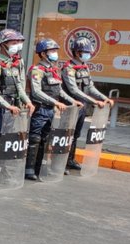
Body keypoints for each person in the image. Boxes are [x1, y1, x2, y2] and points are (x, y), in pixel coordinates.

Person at [0, 29, 34, 189]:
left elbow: (19, 85)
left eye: (18, 43)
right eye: (13, 43)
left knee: (8, 141)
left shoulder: (14, 63)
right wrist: (7, 106)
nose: (17, 46)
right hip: (0, 108)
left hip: (13, 107)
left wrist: (27, 101)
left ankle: (2, 171)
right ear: (3, 45)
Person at [25, 38, 80, 181]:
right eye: (52, 51)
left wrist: (72, 100)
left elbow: (59, 90)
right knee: (34, 138)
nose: (55, 53)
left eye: (55, 50)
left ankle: (39, 166)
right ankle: (29, 168)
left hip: (50, 109)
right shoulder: (37, 70)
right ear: (43, 54)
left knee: (45, 139)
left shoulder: (53, 70)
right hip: (40, 109)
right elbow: (36, 92)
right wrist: (55, 102)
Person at [61, 37, 113, 171]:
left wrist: (103, 98)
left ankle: (70, 160)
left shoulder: (84, 67)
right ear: (77, 52)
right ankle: (60, 162)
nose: (88, 55)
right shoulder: (69, 68)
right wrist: (94, 101)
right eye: (86, 52)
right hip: (71, 106)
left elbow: (90, 87)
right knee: (66, 134)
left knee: (76, 134)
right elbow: (73, 90)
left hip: (82, 106)